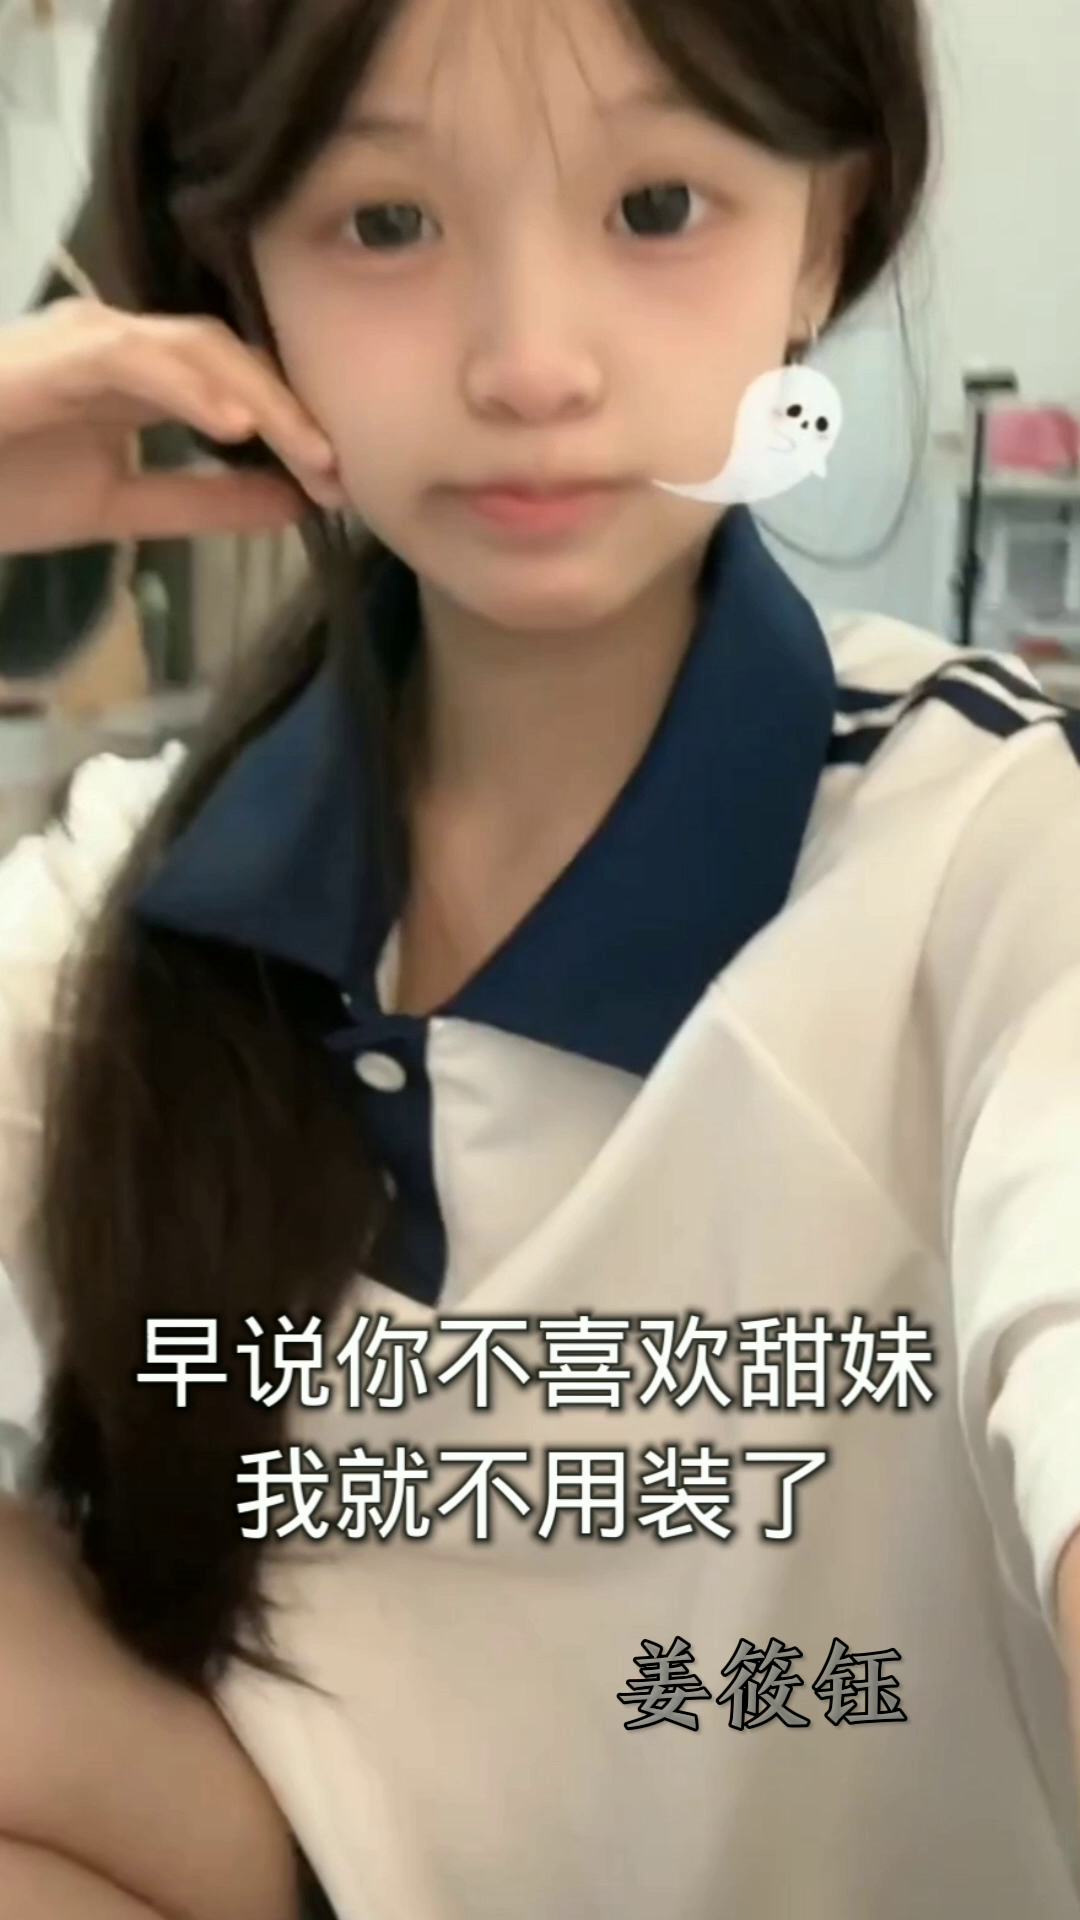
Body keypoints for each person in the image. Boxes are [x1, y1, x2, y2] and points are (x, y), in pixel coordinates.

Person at [2, 0, 1080, 1917]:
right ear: (236, 273)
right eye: (385, 223)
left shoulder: (985, 849)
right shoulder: (129, 897)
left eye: (657, 205)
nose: (530, 363)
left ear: (823, 233)